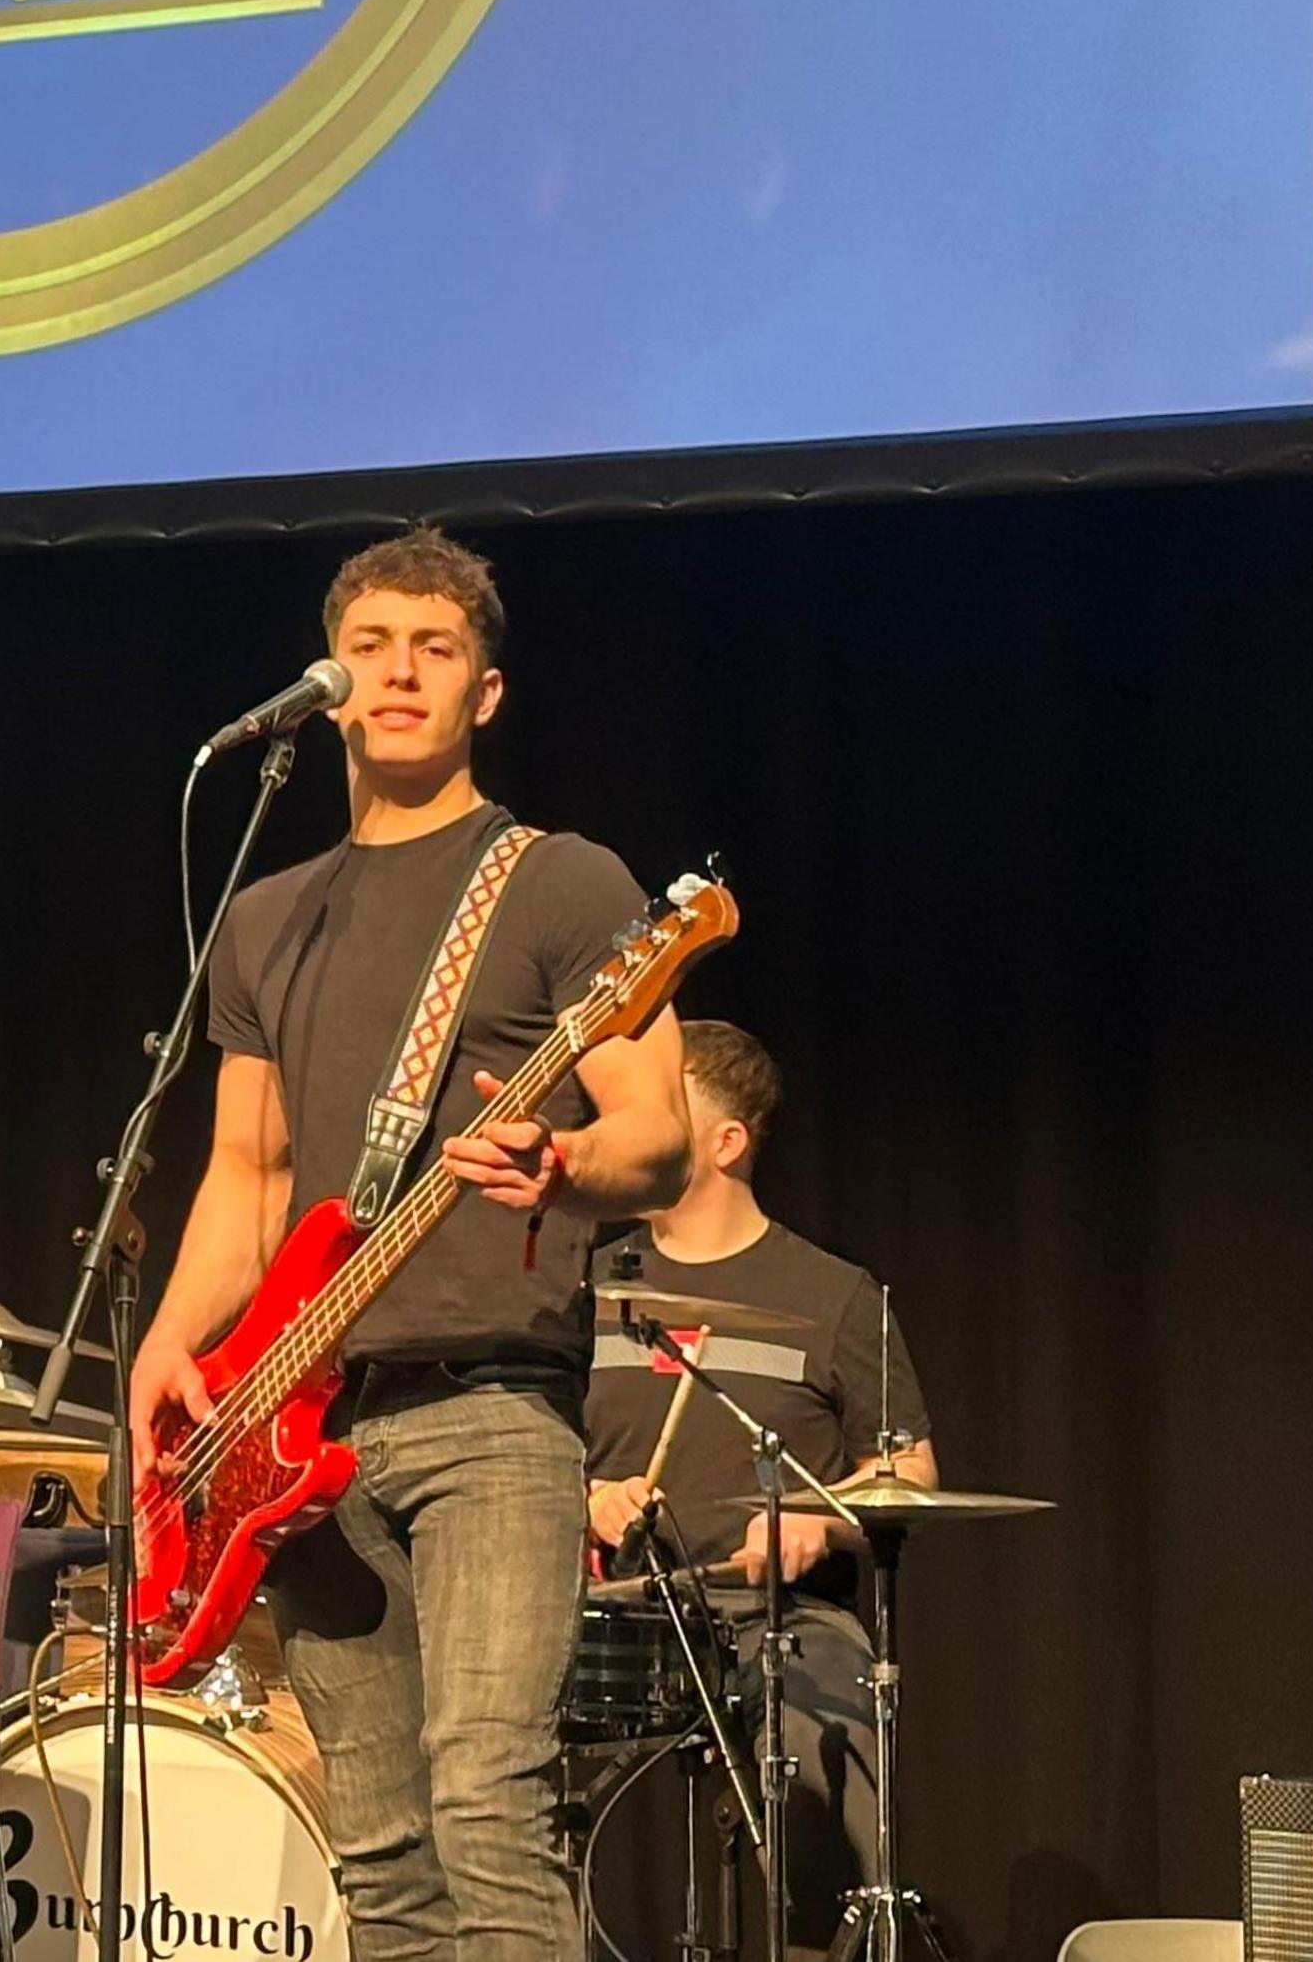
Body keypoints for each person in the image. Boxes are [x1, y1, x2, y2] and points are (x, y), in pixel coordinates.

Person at [131, 527, 692, 1962]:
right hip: (296, 1434)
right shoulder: (267, 917)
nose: (397, 673)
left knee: (488, 1804)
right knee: (380, 1850)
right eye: (371, 646)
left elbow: (659, 1134)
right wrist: (169, 1346)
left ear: (482, 692)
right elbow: (248, 1176)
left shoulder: (559, 884)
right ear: (329, 687)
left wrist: (559, 1159)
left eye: (432, 650)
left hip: (493, 1409)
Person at [584, 1018, 934, 1945]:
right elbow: (530, 1447)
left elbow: (912, 1468)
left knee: (825, 1735)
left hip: (778, 1620)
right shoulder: (581, 1290)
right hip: (613, 1614)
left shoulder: (834, 1296)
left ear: (727, 1141)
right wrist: (585, 1496)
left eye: (661, 1109)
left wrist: (819, 1518)